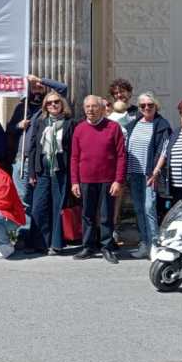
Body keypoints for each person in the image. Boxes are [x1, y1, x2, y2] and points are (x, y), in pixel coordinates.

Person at [69, 95, 126, 264]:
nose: (90, 110)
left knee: (106, 215)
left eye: (94, 106)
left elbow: (121, 156)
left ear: (102, 108)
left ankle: (107, 246)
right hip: (86, 179)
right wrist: (74, 181)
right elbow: (74, 157)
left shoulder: (113, 127)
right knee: (87, 214)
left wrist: (118, 180)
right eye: (87, 106)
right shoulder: (79, 129)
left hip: (108, 179)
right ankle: (88, 246)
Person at [24, 91, 76, 254]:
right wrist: (32, 172)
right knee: (38, 207)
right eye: (49, 103)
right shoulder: (40, 123)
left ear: (62, 104)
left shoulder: (70, 123)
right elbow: (33, 148)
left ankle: (55, 244)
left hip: (61, 170)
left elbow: (74, 151)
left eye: (56, 102)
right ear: (45, 106)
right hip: (42, 170)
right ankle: (39, 243)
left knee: (57, 206)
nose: (53, 105)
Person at [123, 93, 172, 258]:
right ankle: (145, 243)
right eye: (142, 105)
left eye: (150, 105)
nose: (146, 108)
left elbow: (164, 150)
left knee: (149, 208)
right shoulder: (133, 124)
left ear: (156, 106)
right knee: (138, 209)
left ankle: (155, 244)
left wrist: (156, 171)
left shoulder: (161, 125)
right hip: (134, 174)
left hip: (149, 174)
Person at [7, 74, 69, 205]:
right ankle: (26, 226)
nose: (37, 88)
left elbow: (63, 88)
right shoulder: (22, 107)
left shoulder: (48, 107)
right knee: (23, 197)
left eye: (40, 87)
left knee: (40, 200)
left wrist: (40, 80)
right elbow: (9, 130)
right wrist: (19, 125)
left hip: (40, 160)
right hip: (22, 159)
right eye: (34, 86)